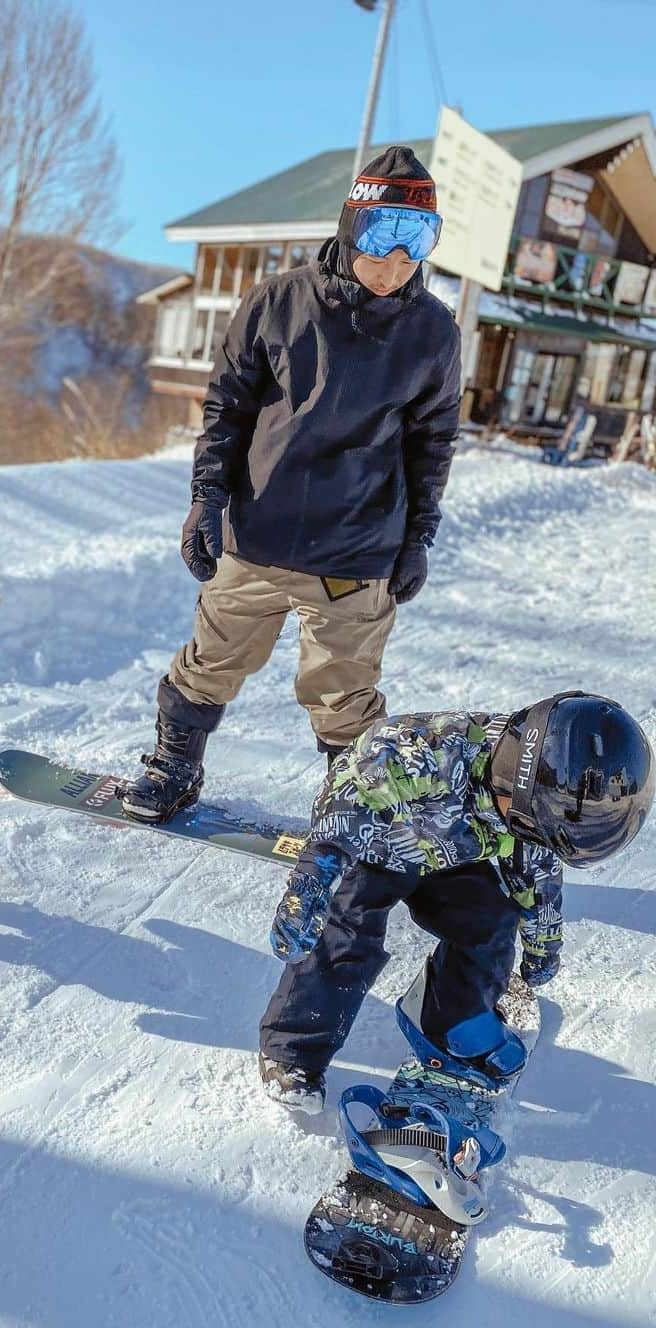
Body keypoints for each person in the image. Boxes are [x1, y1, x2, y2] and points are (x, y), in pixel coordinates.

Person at [121, 147, 461, 825]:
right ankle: (174, 766)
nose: (395, 266)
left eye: (414, 248)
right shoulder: (277, 302)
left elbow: (433, 443)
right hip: (259, 531)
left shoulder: (432, 332)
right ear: (349, 226)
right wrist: (207, 499)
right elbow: (228, 408)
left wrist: (418, 537)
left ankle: (351, 804)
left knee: (345, 688)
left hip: (358, 544)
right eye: (381, 243)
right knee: (211, 659)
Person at [258, 692, 654, 1114]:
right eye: (537, 827)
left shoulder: (528, 815)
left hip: (454, 856)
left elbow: (537, 880)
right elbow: (348, 800)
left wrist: (543, 947)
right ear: (516, 791)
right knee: (345, 938)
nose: (537, 836)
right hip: (372, 849)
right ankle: (292, 1051)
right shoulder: (426, 752)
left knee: (491, 922)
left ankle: (453, 1020)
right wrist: (313, 881)